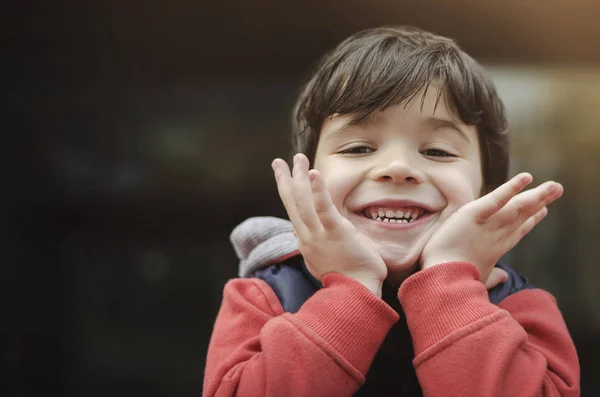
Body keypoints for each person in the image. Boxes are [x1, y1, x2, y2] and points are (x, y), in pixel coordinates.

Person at [203, 26, 580, 396]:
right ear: (305, 178)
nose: (398, 168)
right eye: (357, 148)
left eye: (437, 152)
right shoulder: (262, 297)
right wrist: (352, 286)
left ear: (486, 192)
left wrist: (447, 282)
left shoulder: (521, 306)